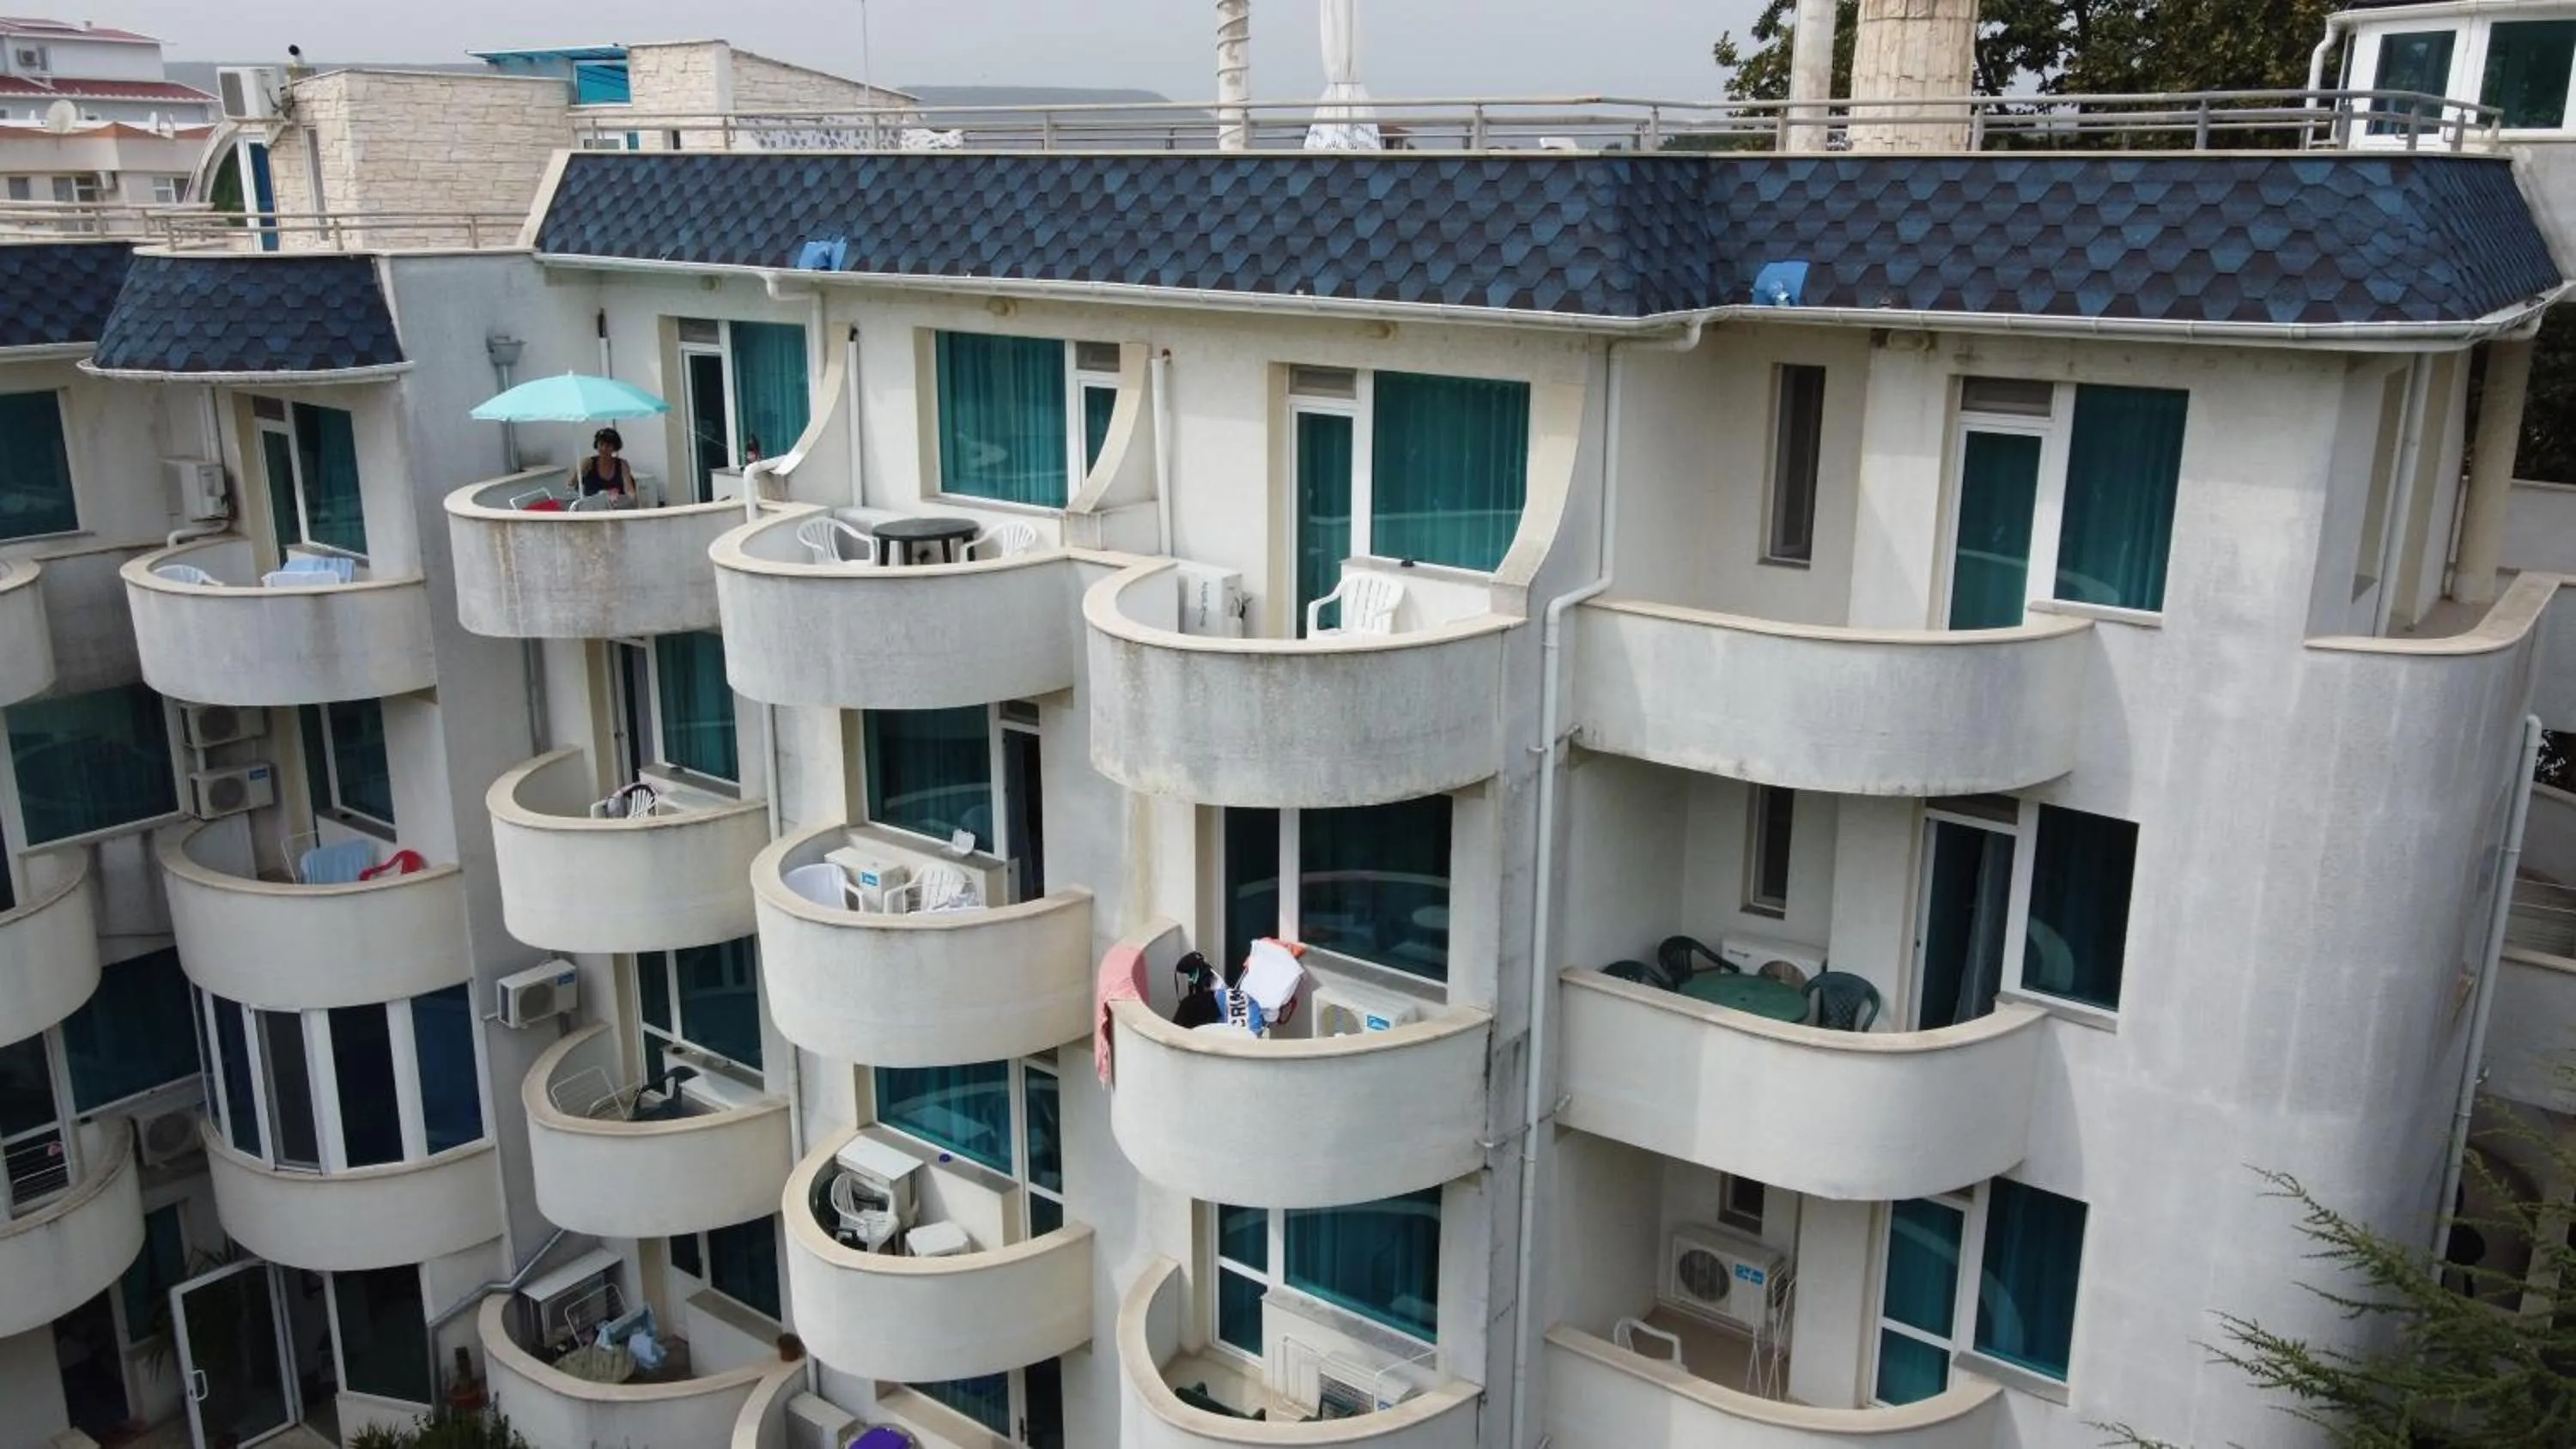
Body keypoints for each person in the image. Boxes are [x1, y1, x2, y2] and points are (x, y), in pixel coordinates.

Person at [574, 427, 635, 501]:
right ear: (596, 445)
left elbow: (629, 490)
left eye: (608, 446)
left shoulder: (623, 464)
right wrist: (578, 471)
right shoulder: (588, 463)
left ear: (615, 447)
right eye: (601, 444)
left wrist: (632, 499)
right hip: (591, 508)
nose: (604, 448)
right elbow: (571, 486)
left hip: (616, 507)